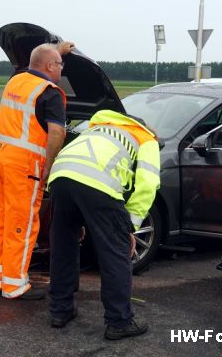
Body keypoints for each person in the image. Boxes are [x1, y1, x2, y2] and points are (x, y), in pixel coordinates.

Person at [47, 110, 160, 340]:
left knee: (63, 247)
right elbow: (148, 184)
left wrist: (81, 217)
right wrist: (131, 225)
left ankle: (60, 311)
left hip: (60, 178)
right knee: (115, 254)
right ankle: (119, 321)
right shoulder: (146, 139)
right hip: (99, 184)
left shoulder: (98, 128)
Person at [0, 42, 73, 300]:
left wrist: (58, 49)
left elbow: (37, 57)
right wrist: (49, 164)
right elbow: (57, 132)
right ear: (49, 66)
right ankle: (15, 286)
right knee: (21, 224)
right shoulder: (50, 92)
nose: (61, 69)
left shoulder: (16, 81)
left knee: (1, 223)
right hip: (23, 165)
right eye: (59, 64)